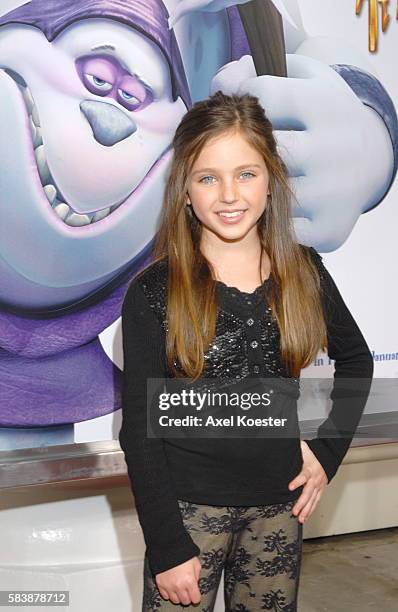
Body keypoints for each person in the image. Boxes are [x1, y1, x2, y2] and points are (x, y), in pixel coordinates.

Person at [119, 90, 374, 611]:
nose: (229, 194)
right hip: (188, 516)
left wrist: (326, 456)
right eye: (207, 177)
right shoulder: (154, 291)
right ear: (185, 191)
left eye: (246, 173)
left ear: (271, 180)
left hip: (280, 508)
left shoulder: (303, 271)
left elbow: (357, 362)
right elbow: (140, 434)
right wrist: (167, 546)